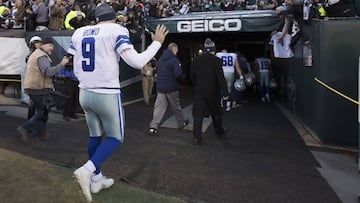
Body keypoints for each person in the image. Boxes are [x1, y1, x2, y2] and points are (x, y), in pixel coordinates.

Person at [67, 3, 168, 202]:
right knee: (115, 137)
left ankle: (96, 179)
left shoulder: (79, 32)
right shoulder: (116, 30)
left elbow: (72, 60)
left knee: (94, 135)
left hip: (84, 92)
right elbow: (137, 62)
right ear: (113, 17)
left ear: (96, 17)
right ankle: (87, 170)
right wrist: (156, 43)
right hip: (106, 93)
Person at [17, 37, 70, 143]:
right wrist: (62, 64)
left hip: (35, 87)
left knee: (44, 110)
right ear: (44, 45)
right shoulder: (41, 56)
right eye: (51, 46)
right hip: (38, 88)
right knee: (41, 111)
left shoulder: (36, 54)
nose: (52, 49)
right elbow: (48, 72)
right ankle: (25, 128)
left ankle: (40, 132)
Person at [190, 38, 229, 145]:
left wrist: (196, 85)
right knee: (216, 113)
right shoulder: (216, 61)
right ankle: (219, 132)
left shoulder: (196, 60)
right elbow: (220, 78)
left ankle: (196, 137)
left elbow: (192, 75)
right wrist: (225, 93)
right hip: (213, 91)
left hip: (199, 91)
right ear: (213, 50)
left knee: (198, 114)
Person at [148, 43, 189, 136]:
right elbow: (178, 74)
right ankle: (181, 123)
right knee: (176, 107)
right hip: (171, 88)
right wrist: (183, 77)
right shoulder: (174, 60)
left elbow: (157, 70)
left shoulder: (161, 59)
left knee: (159, 107)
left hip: (161, 87)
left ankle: (153, 127)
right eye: (176, 51)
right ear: (174, 50)